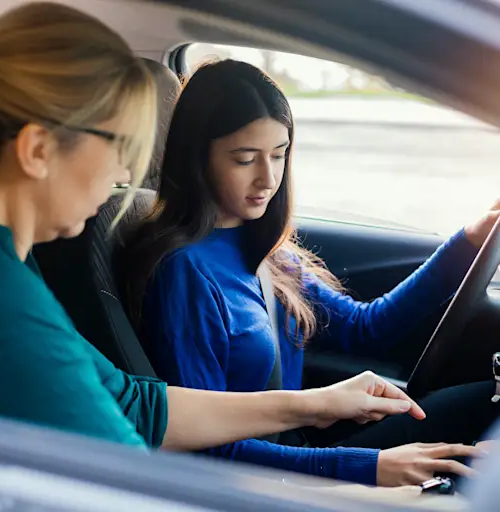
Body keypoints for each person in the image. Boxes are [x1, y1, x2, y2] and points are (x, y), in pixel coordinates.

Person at [0, 3, 426, 459]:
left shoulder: (18, 268)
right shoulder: (1, 295)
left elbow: (139, 407)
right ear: (38, 150)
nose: (127, 170)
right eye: (122, 146)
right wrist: (355, 478)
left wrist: (315, 405)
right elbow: (127, 473)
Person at [121, 59, 497, 486]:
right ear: (198, 158)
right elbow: (204, 449)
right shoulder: (185, 273)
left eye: (279, 155)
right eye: (245, 159)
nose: (268, 178)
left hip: (300, 452)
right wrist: (365, 467)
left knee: (485, 399)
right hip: (270, 477)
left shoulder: (265, 249)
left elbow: (364, 328)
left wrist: (469, 240)